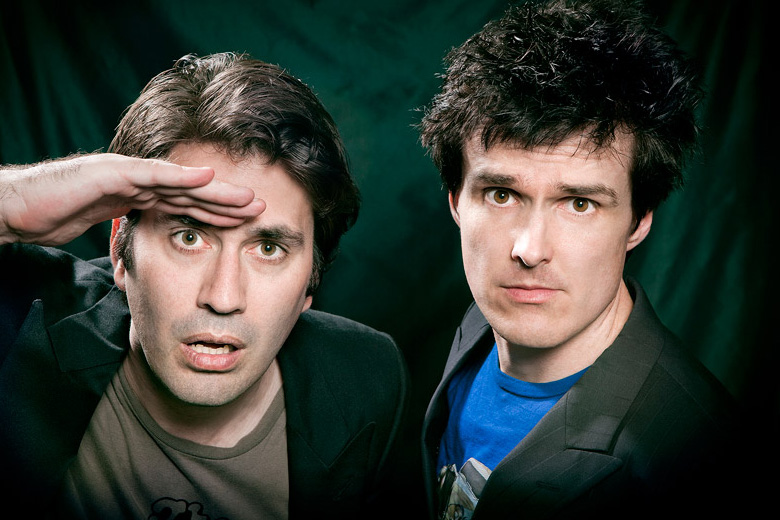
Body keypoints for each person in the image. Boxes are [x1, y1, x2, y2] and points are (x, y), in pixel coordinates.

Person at [0, 52, 408, 519]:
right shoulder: (23, 320)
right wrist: (12, 203)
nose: (223, 297)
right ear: (120, 251)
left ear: (310, 284)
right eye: (189, 237)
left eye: (268, 248)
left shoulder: (369, 378)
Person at [419, 1, 748, 518]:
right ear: (456, 201)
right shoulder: (487, 318)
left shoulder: (695, 458)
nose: (528, 251)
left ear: (639, 220)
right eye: (502, 194)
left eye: (579, 203)